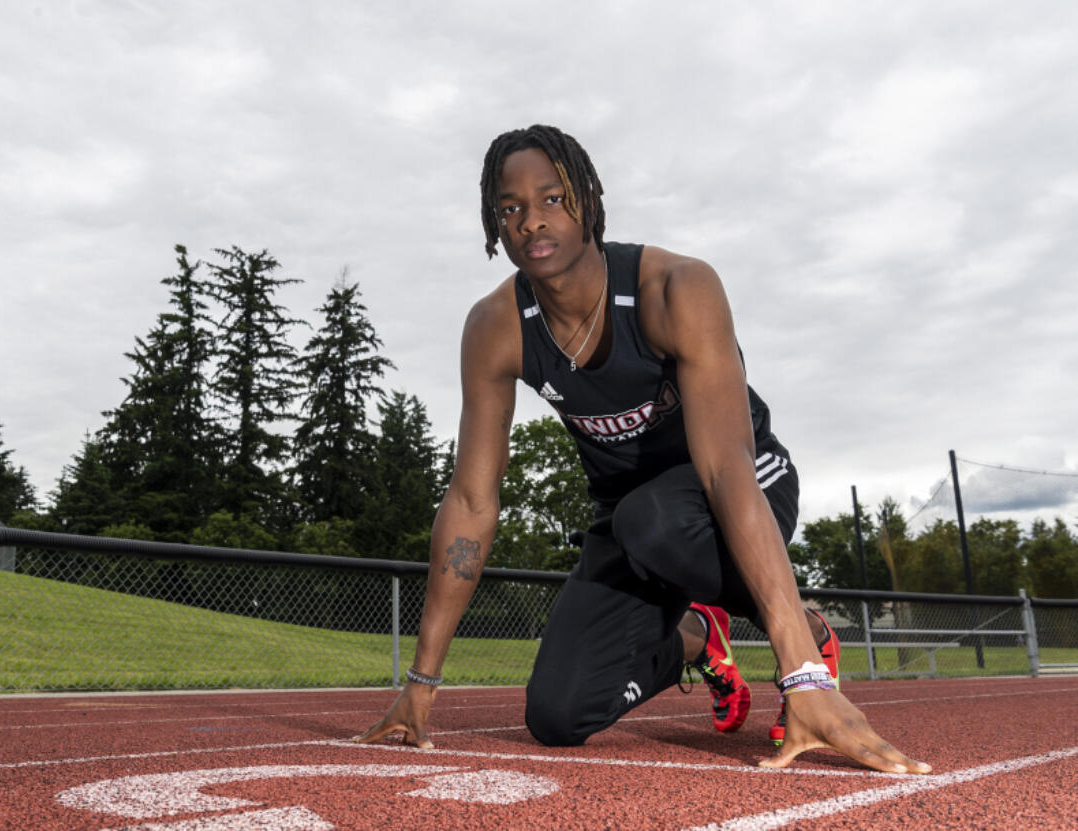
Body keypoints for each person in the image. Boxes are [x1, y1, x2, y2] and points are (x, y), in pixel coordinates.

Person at [355, 125, 931, 774]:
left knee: (654, 519)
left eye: (552, 198)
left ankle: (811, 632)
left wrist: (802, 671)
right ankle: (695, 637)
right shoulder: (496, 327)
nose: (532, 221)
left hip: (743, 486)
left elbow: (725, 466)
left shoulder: (676, 288)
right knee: (556, 715)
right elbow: (469, 499)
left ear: (590, 199)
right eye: (510, 208)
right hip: (631, 523)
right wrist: (421, 681)